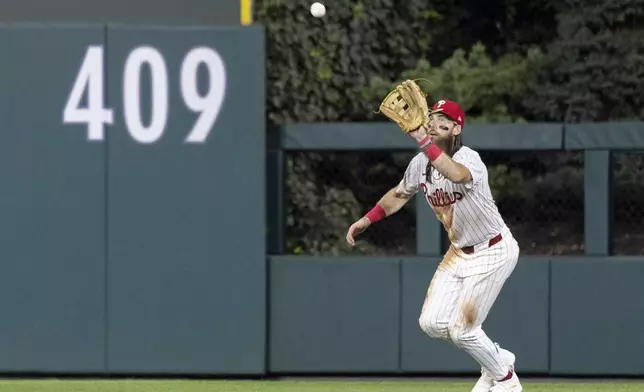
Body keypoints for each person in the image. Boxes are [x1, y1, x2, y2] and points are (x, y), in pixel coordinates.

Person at [346, 99, 522, 392]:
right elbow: (399, 195)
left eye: (443, 122)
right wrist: (369, 218)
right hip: (458, 253)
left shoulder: (470, 159)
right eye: (431, 120)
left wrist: (422, 139)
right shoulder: (420, 165)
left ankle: (506, 381)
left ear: (457, 128)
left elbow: (455, 175)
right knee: (431, 322)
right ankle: (499, 358)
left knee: (463, 330)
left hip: (493, 249)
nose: (434, 125)